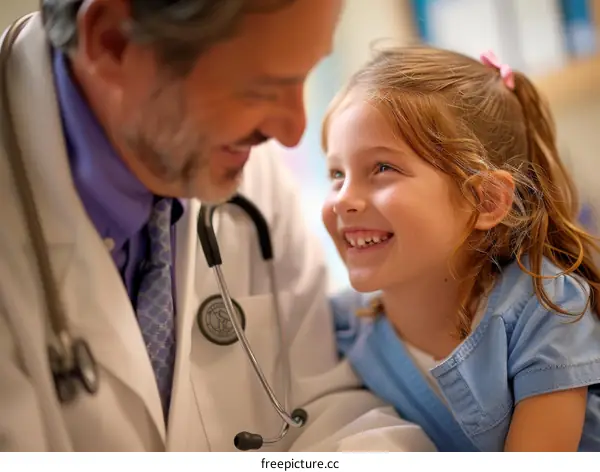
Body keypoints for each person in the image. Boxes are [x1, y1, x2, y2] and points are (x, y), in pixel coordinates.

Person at [0, 0, 437, 452]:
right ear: (112, 43)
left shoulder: (232, 156)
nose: (291, 132)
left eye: (303, 76)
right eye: (261, 87)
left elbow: (321, 404)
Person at [321, 45, 600, 452]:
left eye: (382, 168)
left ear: (485, 201)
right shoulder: (343, 325)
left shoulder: (547, 309)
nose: (344, 199)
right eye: (336, 174)